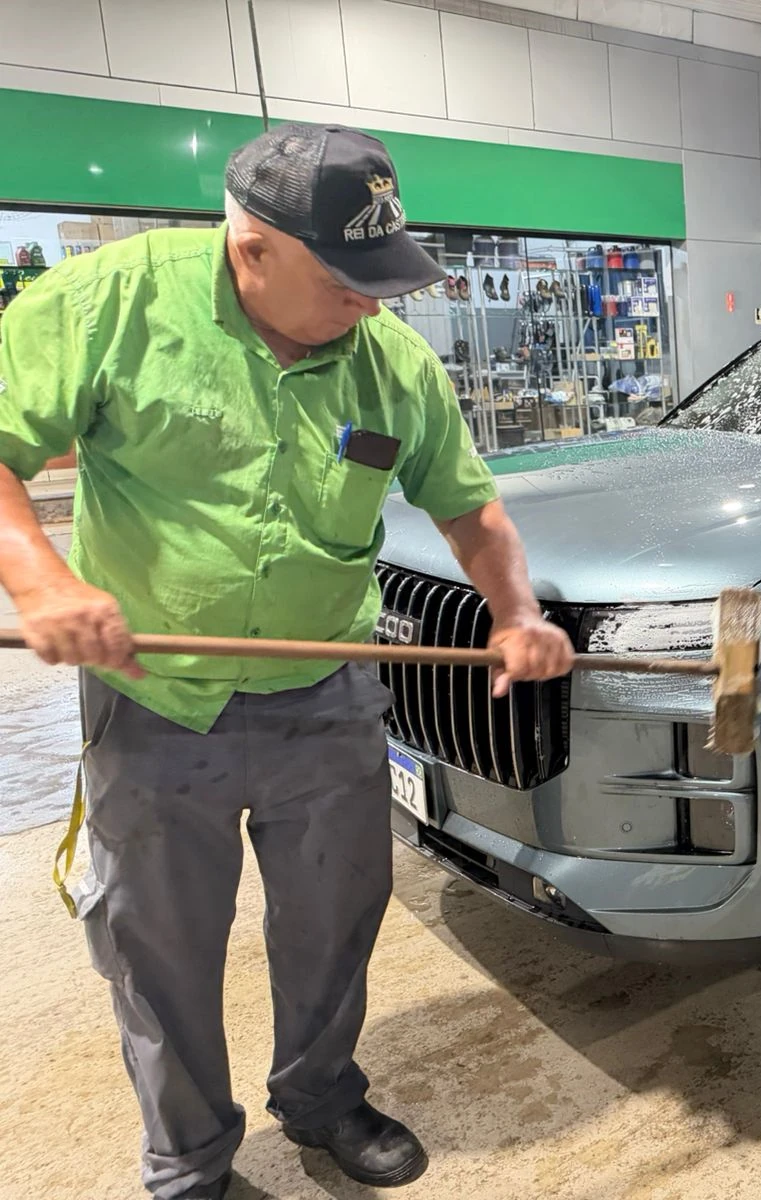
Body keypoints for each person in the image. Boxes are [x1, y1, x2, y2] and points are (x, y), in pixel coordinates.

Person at [0, 124, 575, 1199]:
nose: (373, 305)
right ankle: (189, 1160)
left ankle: (319, 1096)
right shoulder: (109, 305)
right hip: (156, 697)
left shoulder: (390, 364)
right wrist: (41, 582)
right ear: (252, 247)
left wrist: (514, 611)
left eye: (382, 278)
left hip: (326, 693)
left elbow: (468, 505)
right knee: (161, 945)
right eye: (348, 281)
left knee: (334, 917)